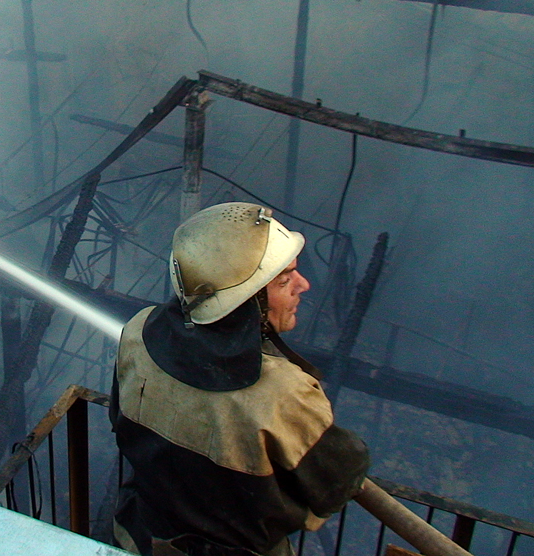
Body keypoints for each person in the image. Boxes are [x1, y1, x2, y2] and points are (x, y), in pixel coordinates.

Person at [109, 202, 370, 556]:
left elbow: (118, 420)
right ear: (248, 303)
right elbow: (333, 484)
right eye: (284, 279)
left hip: (138, 537)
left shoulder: (139, 330)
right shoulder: (283, 394)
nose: (303, 285)